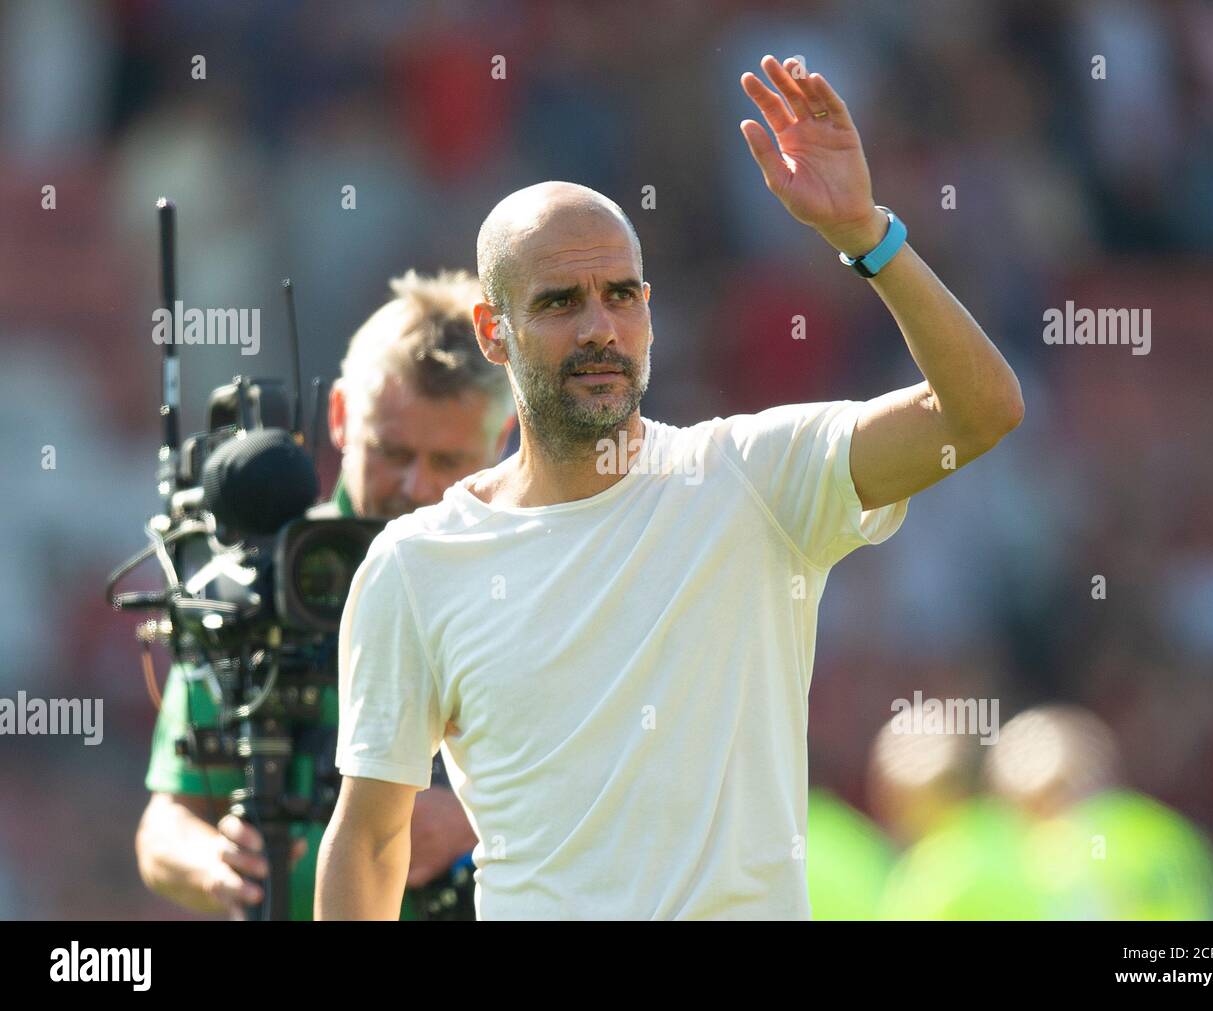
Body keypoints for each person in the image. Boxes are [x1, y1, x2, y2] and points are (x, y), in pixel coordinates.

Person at [316, 56, 1025, 920]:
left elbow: (981, 413)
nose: (600, 328)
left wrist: (866, 236)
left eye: (622, 295)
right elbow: (371, 836)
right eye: (560, 303)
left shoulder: (755, 478)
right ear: (492, 333)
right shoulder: (415, 562)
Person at [135, 269, 515, 919]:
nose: (416, 484)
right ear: (340, 415)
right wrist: (217, 866)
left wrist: (476, 819)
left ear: (503, 439)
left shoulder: (531, 580)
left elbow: (623, 787)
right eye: (391, 451)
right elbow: (165, 823)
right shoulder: (264, 581)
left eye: (448, 460)